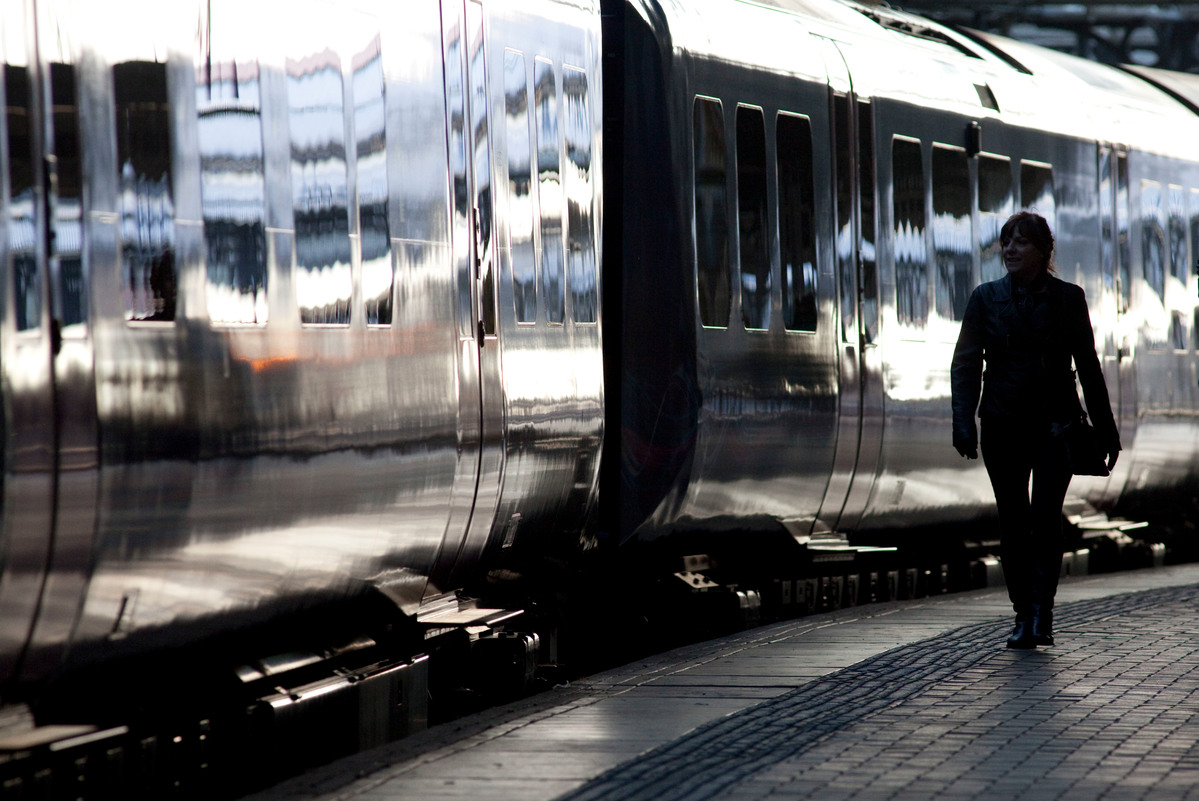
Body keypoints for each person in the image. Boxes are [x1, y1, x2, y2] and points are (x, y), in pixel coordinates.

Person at [951, 211, 1120, 649]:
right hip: (1003, 424)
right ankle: (1023, 613)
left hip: (1055, 425)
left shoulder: (1069, 299)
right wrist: (962, 423)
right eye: (1006, 242)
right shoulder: (985, 299)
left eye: (1021, 243)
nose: (1009, 250)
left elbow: (1088, 365)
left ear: (1044, 252)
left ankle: (1042, 614)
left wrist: (1106, 431)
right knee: (1012, 520)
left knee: (1045, 518)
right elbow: (966, 363)